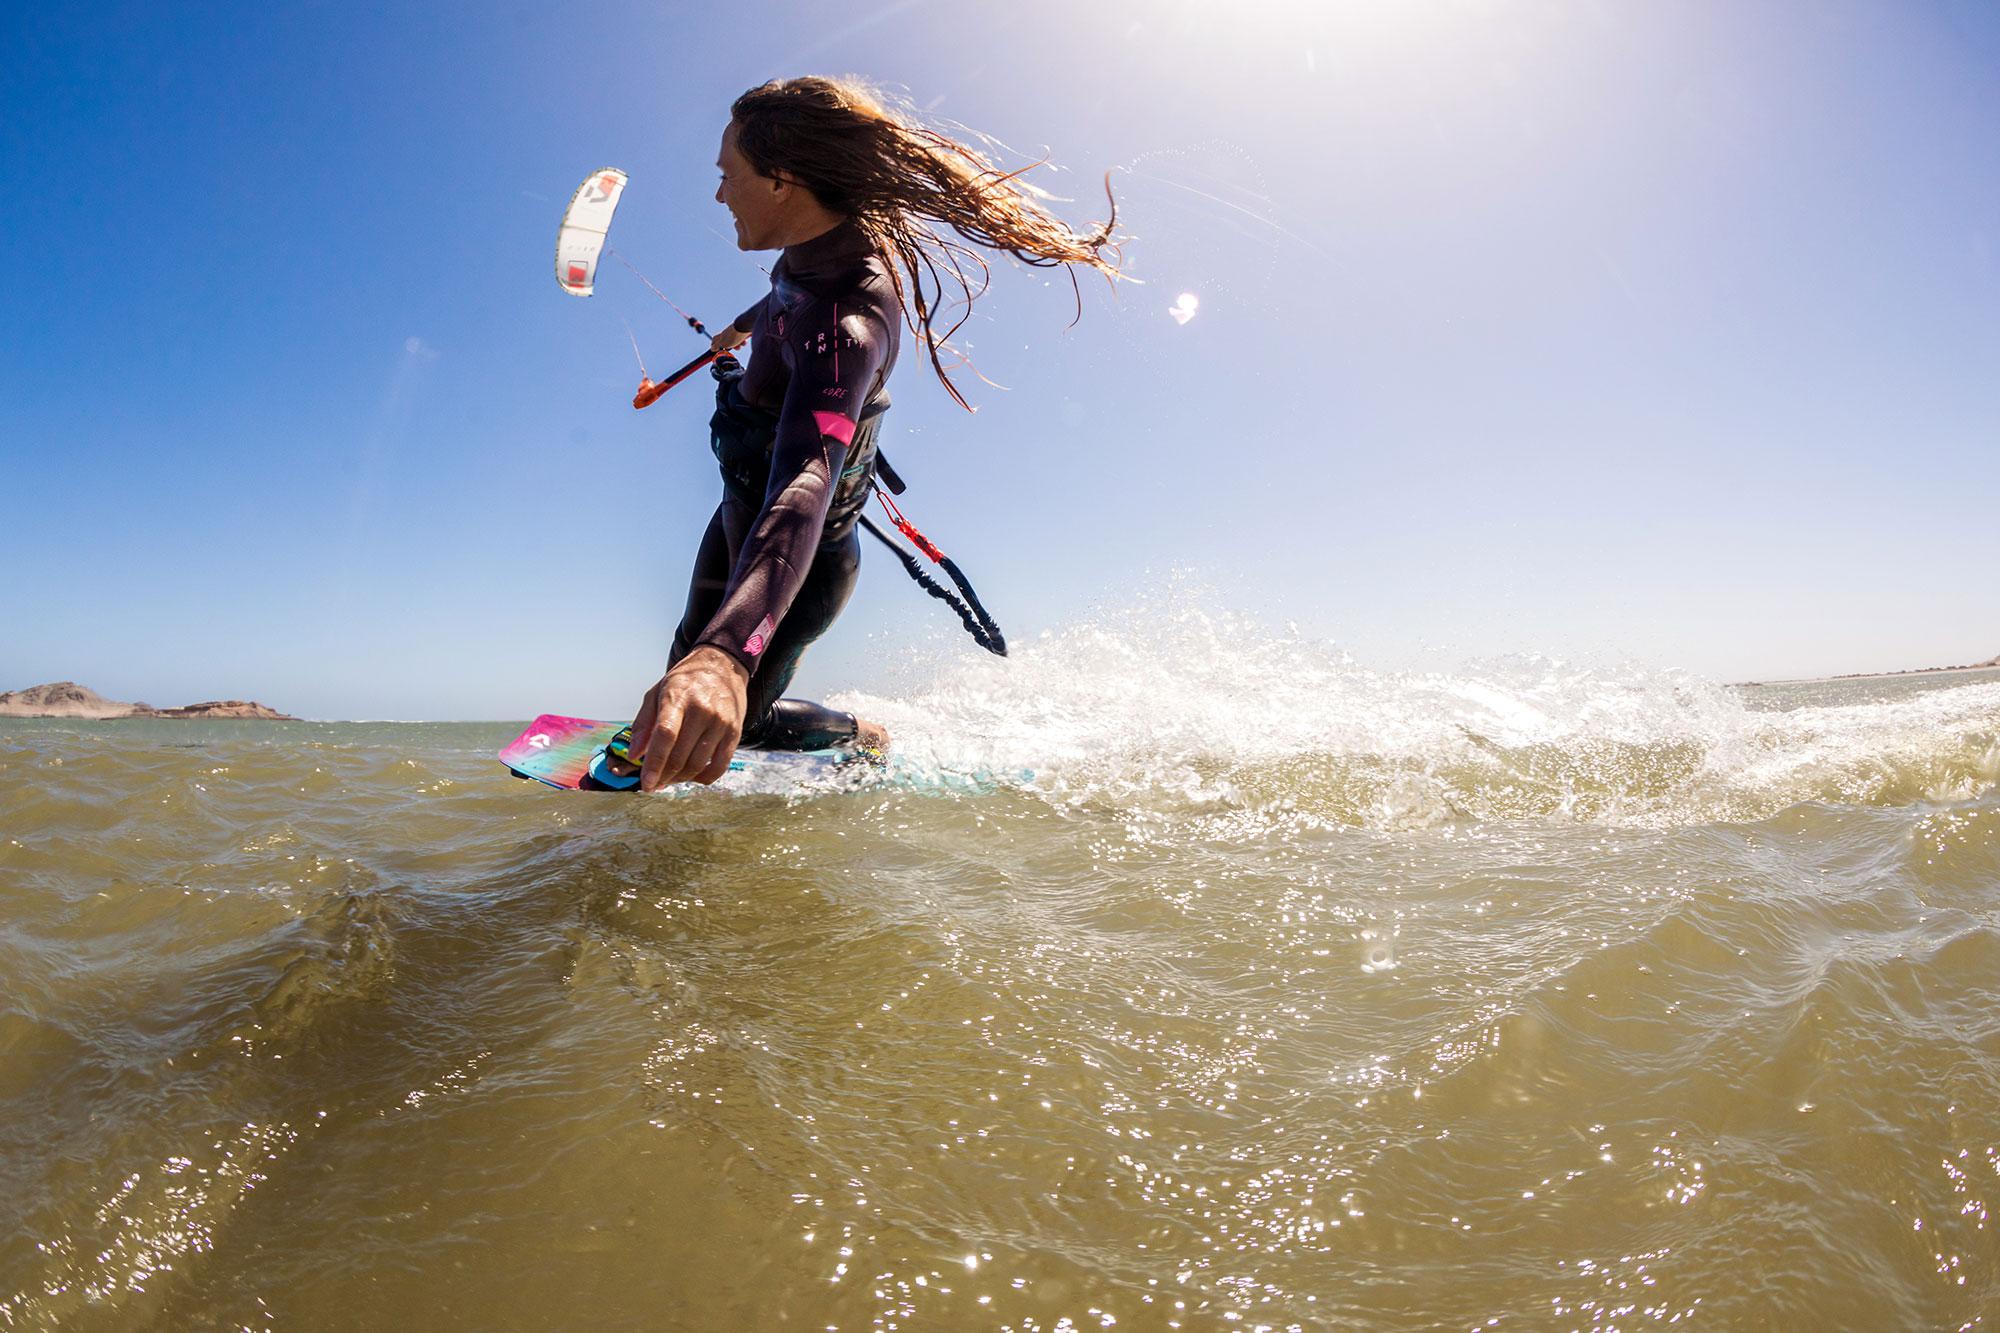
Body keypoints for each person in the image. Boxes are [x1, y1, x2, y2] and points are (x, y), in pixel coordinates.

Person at [624, 77, 1121, 791]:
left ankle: (865, 736)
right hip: (740, 509)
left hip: (797, 549)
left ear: (782, 181)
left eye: (727, 176)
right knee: (684, 665)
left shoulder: (845, 327)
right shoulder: (812, 250)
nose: (719, 194)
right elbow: (784, 293)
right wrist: (739, 327)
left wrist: (727, 656)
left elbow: (806, 481)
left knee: (740, 707)